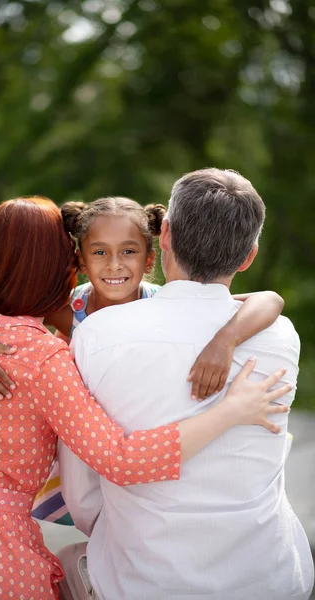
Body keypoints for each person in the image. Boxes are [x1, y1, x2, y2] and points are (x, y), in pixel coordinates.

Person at [0, 196, 289, 600]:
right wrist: (231, 410)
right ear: (74, 262)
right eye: (97, 254)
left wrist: (226, 339)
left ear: (149, 258)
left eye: (128, 252)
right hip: (62, 484)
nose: (113, 265)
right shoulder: (55, 340)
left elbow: (268, 300)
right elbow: (120, 459)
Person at [56, 171, 314, 600]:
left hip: (143, 582)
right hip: (270, 578)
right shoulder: (281, 336)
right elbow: (265, 302)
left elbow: (81, 495)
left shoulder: (96, 334)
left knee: (68, 561)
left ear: (166, 237)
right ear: (248, 256)